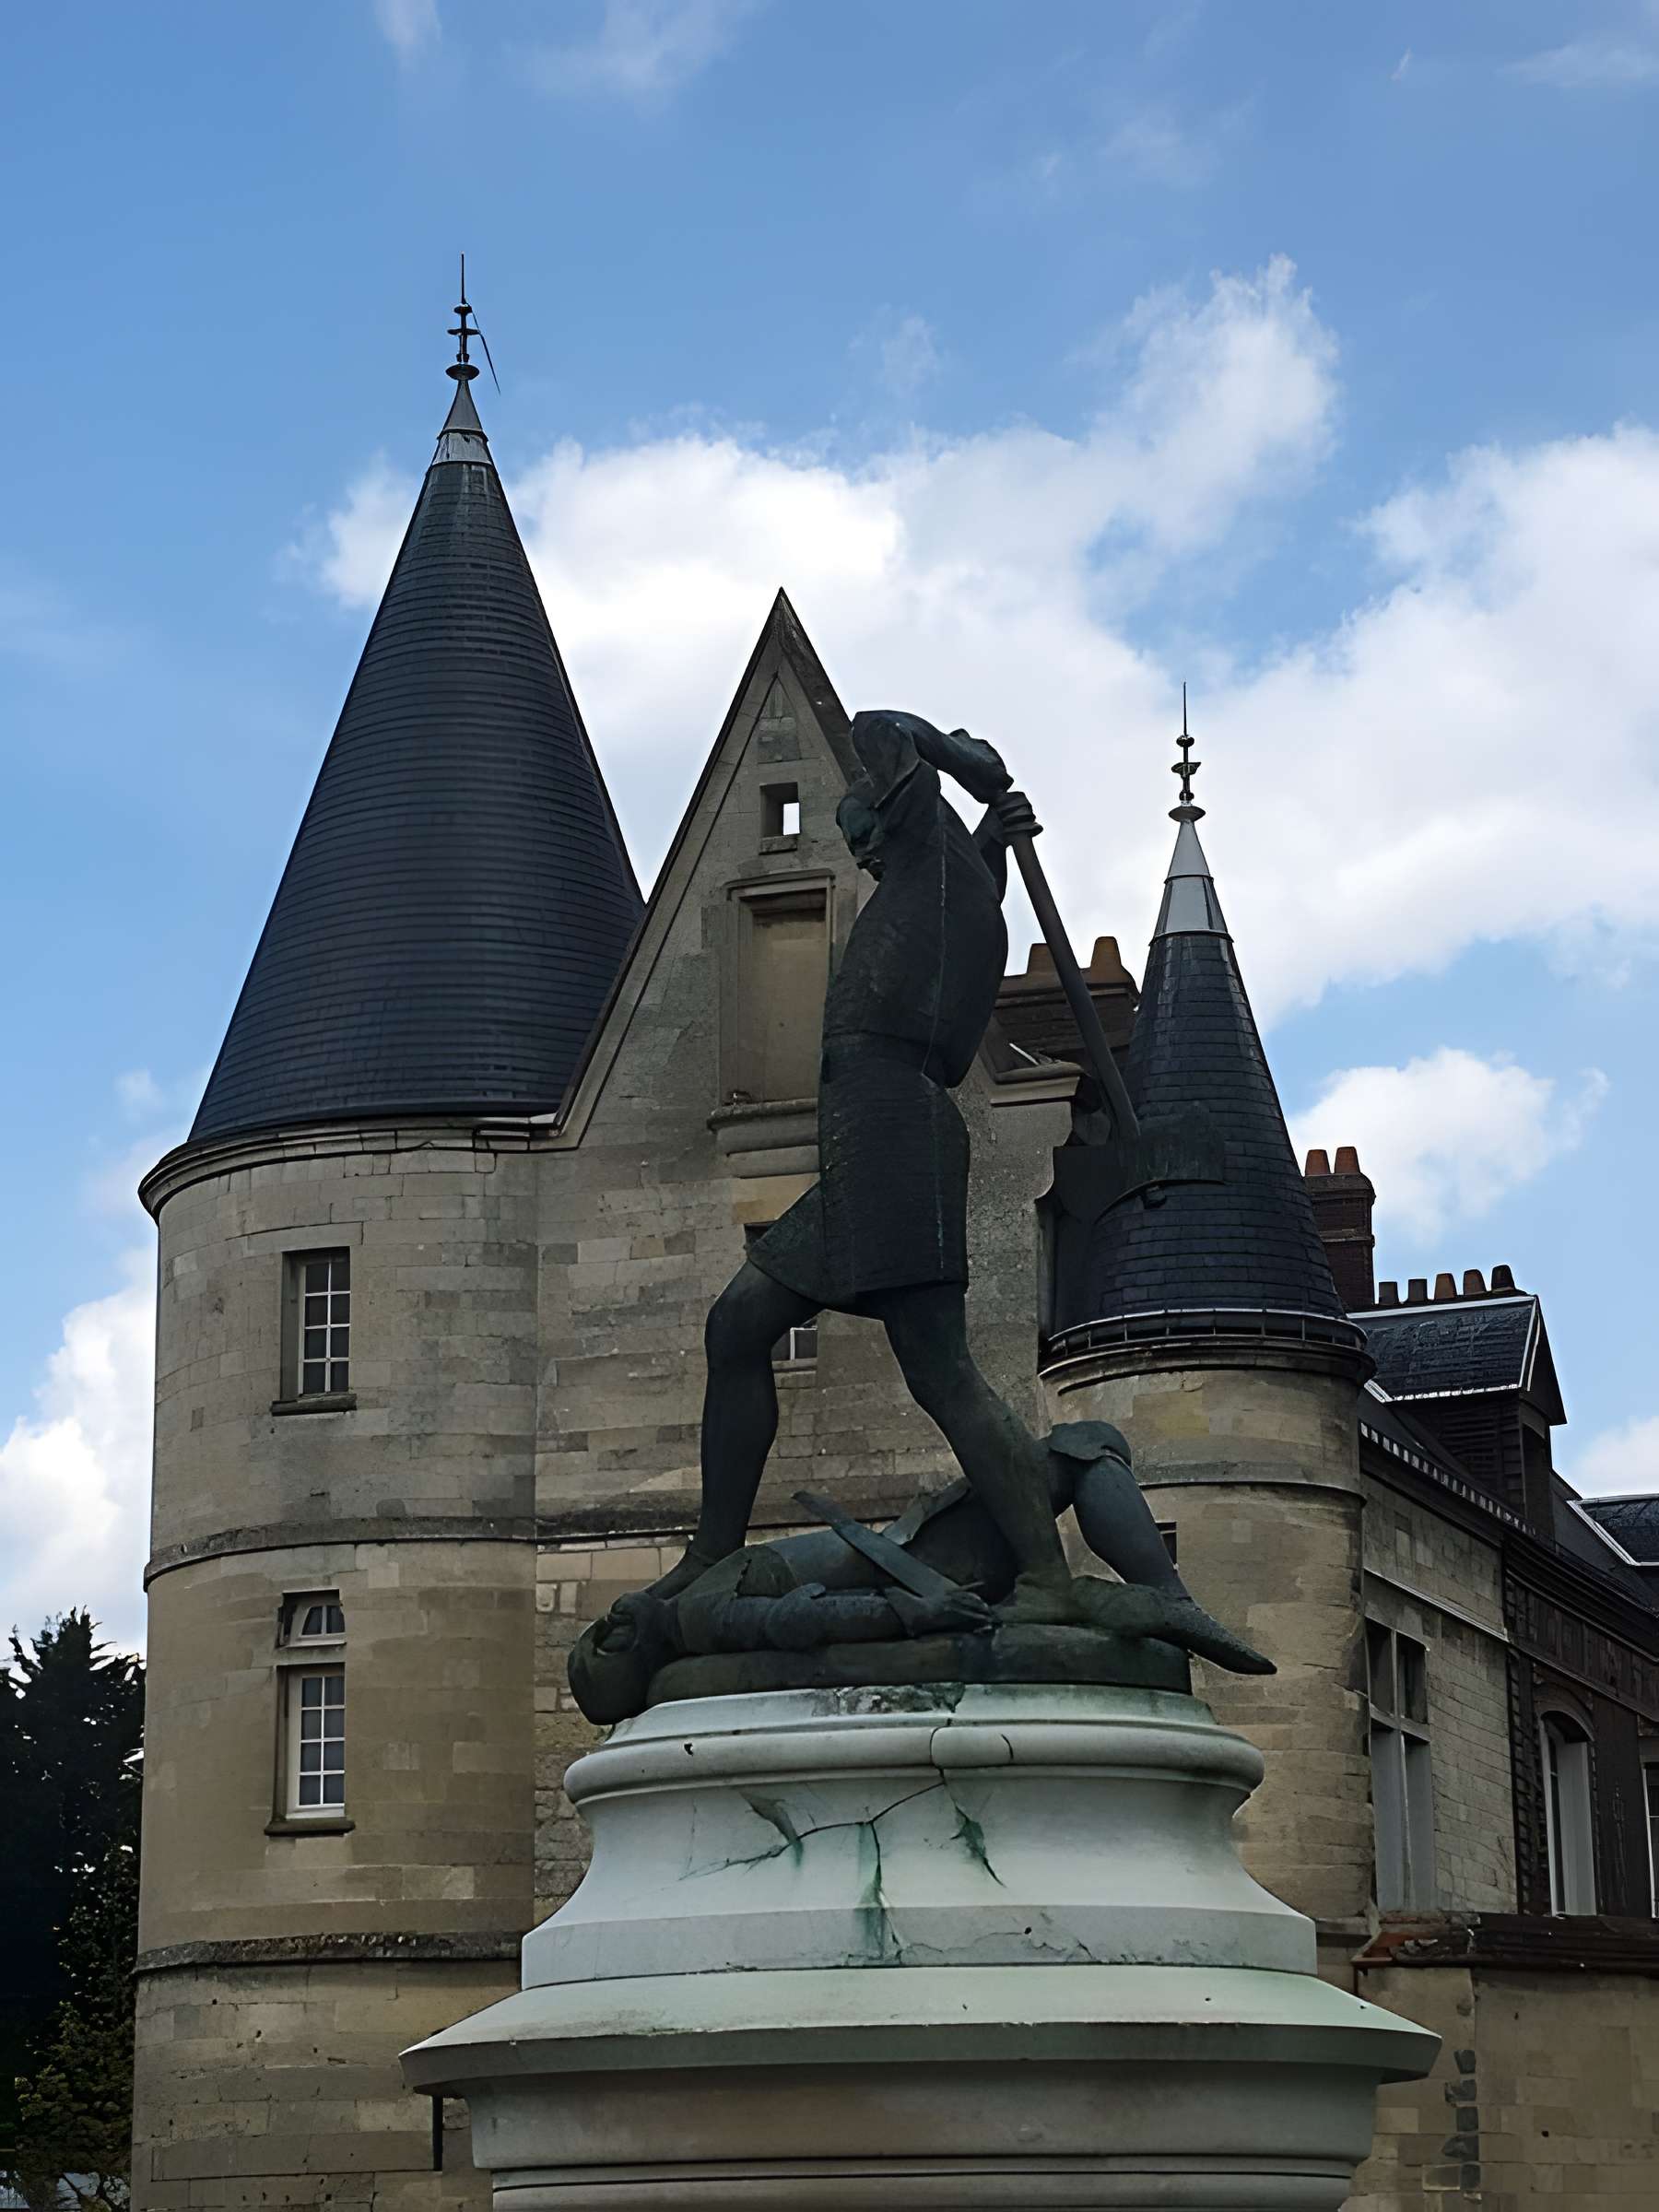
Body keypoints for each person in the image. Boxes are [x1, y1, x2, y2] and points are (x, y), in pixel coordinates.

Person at [649, 709, 1262, 1661]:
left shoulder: (934, 859)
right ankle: (716, 1546)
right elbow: (972, 868)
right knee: (746, 1328)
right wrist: (993, 830)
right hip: (880, 1129)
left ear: (904, 817)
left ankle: (1048, 1577)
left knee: (936, 1371)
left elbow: (878, 724)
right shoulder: (960, 885)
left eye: (864, 822)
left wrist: (959, 761)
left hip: (892, 1128)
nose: (858, 843)